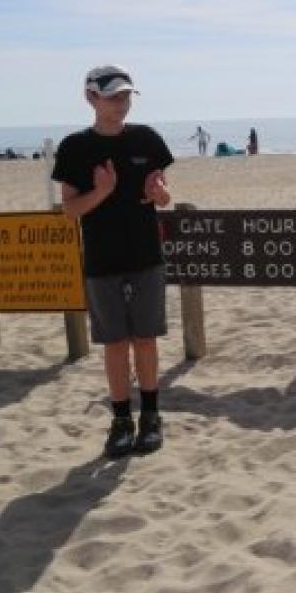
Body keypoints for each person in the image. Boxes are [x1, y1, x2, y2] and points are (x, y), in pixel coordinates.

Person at [51, 66, 174, 458]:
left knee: (146, 339)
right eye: (113, 97)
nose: (121, 104)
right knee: (115, 344)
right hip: (102, 259)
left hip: (145, 256)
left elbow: (164, 198)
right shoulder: (75, 147)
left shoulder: (146, 139)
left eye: (126, 96)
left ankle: (150, 418)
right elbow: (70, 211)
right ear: (91, 98)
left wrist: (159, 195)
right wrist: (102, 193)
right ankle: (121, 421)